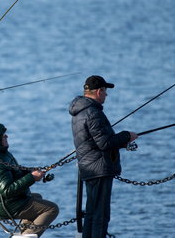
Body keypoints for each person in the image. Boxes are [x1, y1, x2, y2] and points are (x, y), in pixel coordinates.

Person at [69, 75, 138, 238]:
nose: (106, 95)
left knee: (92, 213)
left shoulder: (80, 111)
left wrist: (121, 140)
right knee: (100, 214)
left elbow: (97, 141)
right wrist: (126, 136)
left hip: (89, 166)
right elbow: (104, 143)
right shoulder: (93, 113)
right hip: (99, 168)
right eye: (105, 91)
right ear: (99, 91)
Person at [0, 121, 59, 237]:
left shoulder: (2, 153)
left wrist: (31, 171)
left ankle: (25, 234)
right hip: (4, 205)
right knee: (51, 209)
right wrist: (31, 178)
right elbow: (7, 190)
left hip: (9, 201)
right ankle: (27, 235)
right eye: (3, 135)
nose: (6, 136)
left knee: (37, 197)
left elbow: (15, 171)